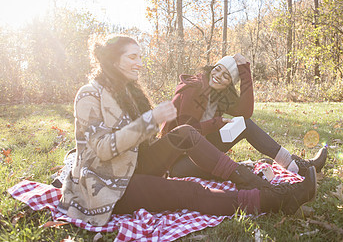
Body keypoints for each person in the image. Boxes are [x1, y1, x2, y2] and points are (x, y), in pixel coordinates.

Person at [57, 35, 317, 227]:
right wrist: (152, 120)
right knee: (192, 193)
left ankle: (259, 184)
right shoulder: (89, 94)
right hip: (108, 184)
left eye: (140, 57)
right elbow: (102, 149)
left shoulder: (129, 92)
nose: (139, 63)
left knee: (186, 134)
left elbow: (244, 113)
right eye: (132, 57)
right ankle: (275, 201)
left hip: (135, 164)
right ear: (113, 61)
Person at [162, 54, 327, 180]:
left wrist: (245, 71)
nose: (218, 75)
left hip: (201, 150)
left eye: (226, 76)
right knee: (235, 167)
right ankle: (257, 169)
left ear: (229, 83)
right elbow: (185, 133)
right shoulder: (194, 88)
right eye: (217, 68)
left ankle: (296, 165)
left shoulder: (218, 94)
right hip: (178, 162)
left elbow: (245, 113)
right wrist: (216, 124)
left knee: (244, 124)